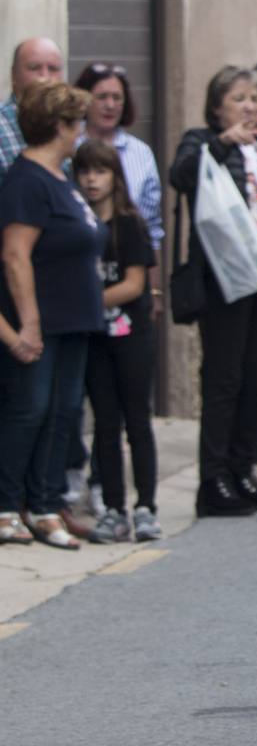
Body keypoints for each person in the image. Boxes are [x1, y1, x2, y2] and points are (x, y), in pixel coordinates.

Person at [169, 66, 257, 518]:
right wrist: (222, 144)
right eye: (239, 98)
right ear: (218, 107)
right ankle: (212, 478)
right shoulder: (202, 142)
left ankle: (241, 468)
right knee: (223, 380)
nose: (250, 106)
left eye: (253, 97)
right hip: (225, 279)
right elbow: (181, 177)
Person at [0, 83, 104, 549]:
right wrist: (29, 323)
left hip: (74, 319)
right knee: (29, 411)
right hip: (43, 320)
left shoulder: (59, 177)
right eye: (76, 123)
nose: (80, 133)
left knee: (62, 412)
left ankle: (44, 505)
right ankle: (6, 505)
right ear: (60, 126)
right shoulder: (26, 181)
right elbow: (15, 256)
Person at [73, 140, 158, 544]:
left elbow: (134, 284)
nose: (92, 179)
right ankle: (112, 508)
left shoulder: (129, 224)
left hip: (131, 335)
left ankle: (146, 507)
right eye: (85, 171)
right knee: (105, 425)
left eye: (100, 171)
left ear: (115, 177)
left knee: (137, 421)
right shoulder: (76, 223)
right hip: (94, 340)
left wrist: (84, 304)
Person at [76, 62, 165, 290]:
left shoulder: (141, 153)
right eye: (102, 97)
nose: (110, 105)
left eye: (117, 98)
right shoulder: (70, 146)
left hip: (129, 268)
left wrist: (154, 289)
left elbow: (151, 226)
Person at [3, 38, 67, 171]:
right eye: (34, 68)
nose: (44, 77)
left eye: (53, 69)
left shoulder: (72, 125)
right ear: (13, 74)